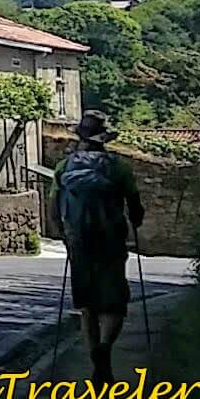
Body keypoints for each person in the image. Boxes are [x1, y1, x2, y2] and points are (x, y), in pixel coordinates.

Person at [55, 110, 145, 384]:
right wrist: (134, 223)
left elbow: (52, 210)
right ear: (104, 138)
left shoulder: (64, 168)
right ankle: (105, 349)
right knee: (114, 303)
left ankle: (95, 354)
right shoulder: (119, 168)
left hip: (80, 242)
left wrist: (65, 236)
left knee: (87, 305)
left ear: (80, 137)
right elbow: (136, 207)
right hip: (110, 240)